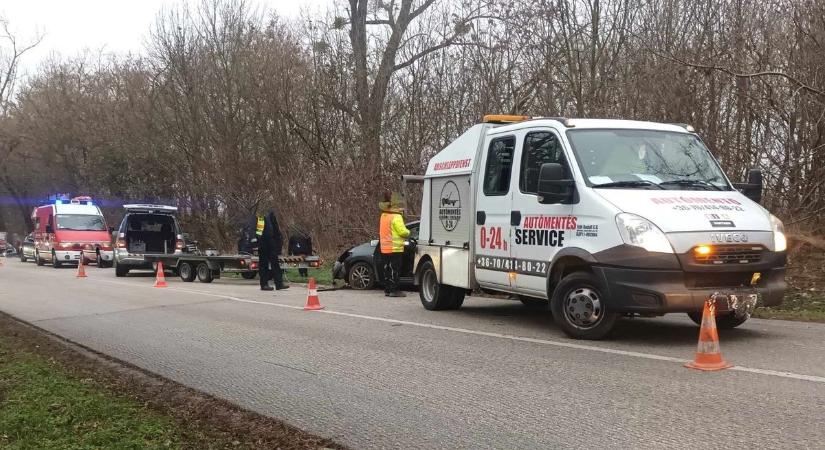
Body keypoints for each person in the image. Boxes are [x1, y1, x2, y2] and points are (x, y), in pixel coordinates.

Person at [378, 191, 410, 297]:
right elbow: (402, 231)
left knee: (387, 268)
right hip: (395, 248)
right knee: (395, 270)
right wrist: (408, 233)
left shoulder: (384, 216)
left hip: (384, 248)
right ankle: (394, 290)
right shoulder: (396, 217)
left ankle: (387, 289)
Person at [257, 209, 288, 291]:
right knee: (264, 264)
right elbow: (259, 232)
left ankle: (279, 283)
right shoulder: (261, 216)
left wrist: (278, 242)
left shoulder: (272, 216)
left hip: (272, 242)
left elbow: (276, 230)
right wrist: (259, 242)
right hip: (263, 242)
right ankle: (264, 284)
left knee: (275, 263)